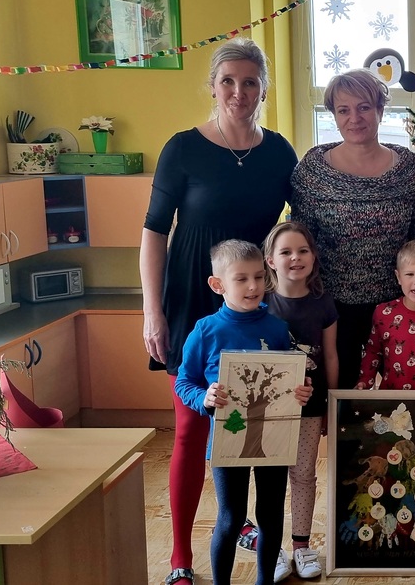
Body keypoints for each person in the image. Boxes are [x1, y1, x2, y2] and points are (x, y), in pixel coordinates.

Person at [141, 37, 298, 585]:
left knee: (253, 421)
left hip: (254, 302)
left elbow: (296, 231)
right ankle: (181, 557)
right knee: (191, 428)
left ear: (263, 89)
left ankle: (238, 520)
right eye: (227, 81)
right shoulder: (183, 148)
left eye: (250, 81)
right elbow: (154, 232)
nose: (238, 91)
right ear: (212, 86)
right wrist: (153, 312)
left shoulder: (279, 153)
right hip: (191, 296)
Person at [291, 68, 415, 393]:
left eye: (364, 107)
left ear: (381, 110)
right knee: (342, 398)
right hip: (331, 308)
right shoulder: (313, 172)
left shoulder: (409, 171)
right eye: (343, 110)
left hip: (398, 306)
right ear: (334, 115)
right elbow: (302, 241)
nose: (354, 118)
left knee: (401, 397)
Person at [173, 240, 313, 585]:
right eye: (241, 279)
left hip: (273, 437)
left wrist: (300, 390)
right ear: (217, 284)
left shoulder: (276, 328)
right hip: (228, 440)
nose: (253, 286)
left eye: (258, 276)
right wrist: (204, 397)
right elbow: (184, 382)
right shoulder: (205, 330)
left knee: (270, 514)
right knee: (231, 518)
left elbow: (288, 379)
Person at [261, 221, 339, 580]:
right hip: (269, 412)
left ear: (313, 256)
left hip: (311, 407)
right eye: (286, 252)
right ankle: (271, 547)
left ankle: (302, 546)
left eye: (303, 250)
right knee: (271, 479)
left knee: (304, 474)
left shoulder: (323, 303)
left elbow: (331, 356)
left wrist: (331, 405)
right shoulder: (261, 303)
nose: (296, 257)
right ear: (270, 260)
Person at [355, 240, 415, 391]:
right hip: (389, 399)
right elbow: (373, 351)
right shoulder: (383, 313)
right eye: (409, 274)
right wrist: (365, 381)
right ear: (398, 277)